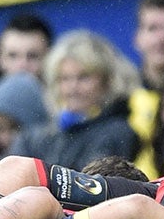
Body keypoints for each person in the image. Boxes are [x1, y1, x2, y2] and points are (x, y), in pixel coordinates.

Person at [20, 30, 139, 170]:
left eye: (83, 77)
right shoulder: (35, 137)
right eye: (64, 78)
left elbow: (90, 185)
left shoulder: (118, 132)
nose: (73, 87)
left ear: (107, 81)